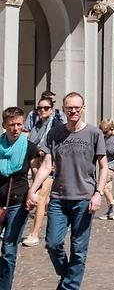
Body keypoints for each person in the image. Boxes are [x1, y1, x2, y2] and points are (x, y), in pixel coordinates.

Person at [25, 92, 108, 290]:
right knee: (52, 244)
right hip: (59, 199)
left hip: (84, 200)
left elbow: (104, 167)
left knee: (79, 250)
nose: (73, 111)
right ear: (63, 109)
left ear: (83, 109)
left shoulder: (94, 133)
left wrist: (98, 193)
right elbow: (45, 166)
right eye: (69, 108)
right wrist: (32, 190)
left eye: (77, 108)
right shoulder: (55, 134)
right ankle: (66, 277)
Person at [1, 106, 35, 290]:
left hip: (18, 201)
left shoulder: (29, 147)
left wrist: (35, 192)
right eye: (12, 124)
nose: (16, 128)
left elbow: (39, 171)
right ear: (4, 125)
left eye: (19, 124)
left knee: (8, 247)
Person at [20, 93, 60, 247]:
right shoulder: (37, 124)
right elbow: (31, 141)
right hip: (37, 164)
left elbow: (56, 145)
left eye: (46, 108)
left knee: (40, 197)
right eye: (39, 108)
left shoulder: (56, 124)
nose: (42, 110)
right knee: (40, 197)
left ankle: (35, 234)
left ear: (51, 109)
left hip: (51, 164)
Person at [99, 118, 114, 220]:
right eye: (103, 132)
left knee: (102, 186)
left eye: (106, 132)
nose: (104, 134)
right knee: (107, 189)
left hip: (111, 166)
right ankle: (110, 211)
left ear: (111, 128)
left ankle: (113, 205)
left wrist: (103, 149)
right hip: (104, 166)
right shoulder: (105, 137)